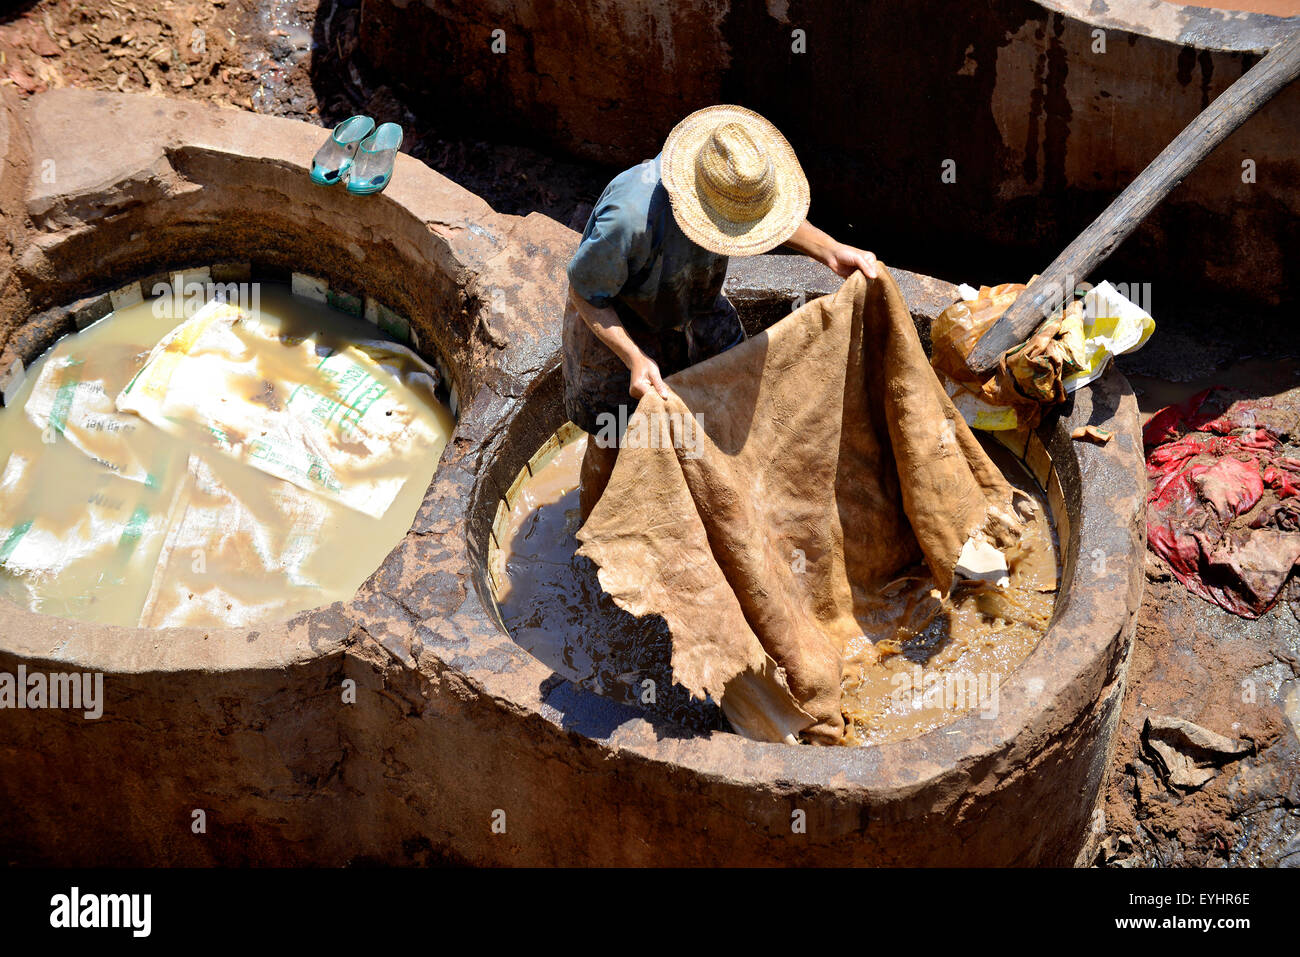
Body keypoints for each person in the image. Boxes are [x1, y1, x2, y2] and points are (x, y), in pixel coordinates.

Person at [564, 105, 879, 518]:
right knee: (613, 437)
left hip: (695, 303)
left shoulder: (731, 182)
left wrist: (831, 250)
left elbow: (765, 216)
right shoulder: (630, 219)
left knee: (733, 397)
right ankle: (591, 540)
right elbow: (585, 293)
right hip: (618, 323)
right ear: (698, 205)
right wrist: (636, 360)